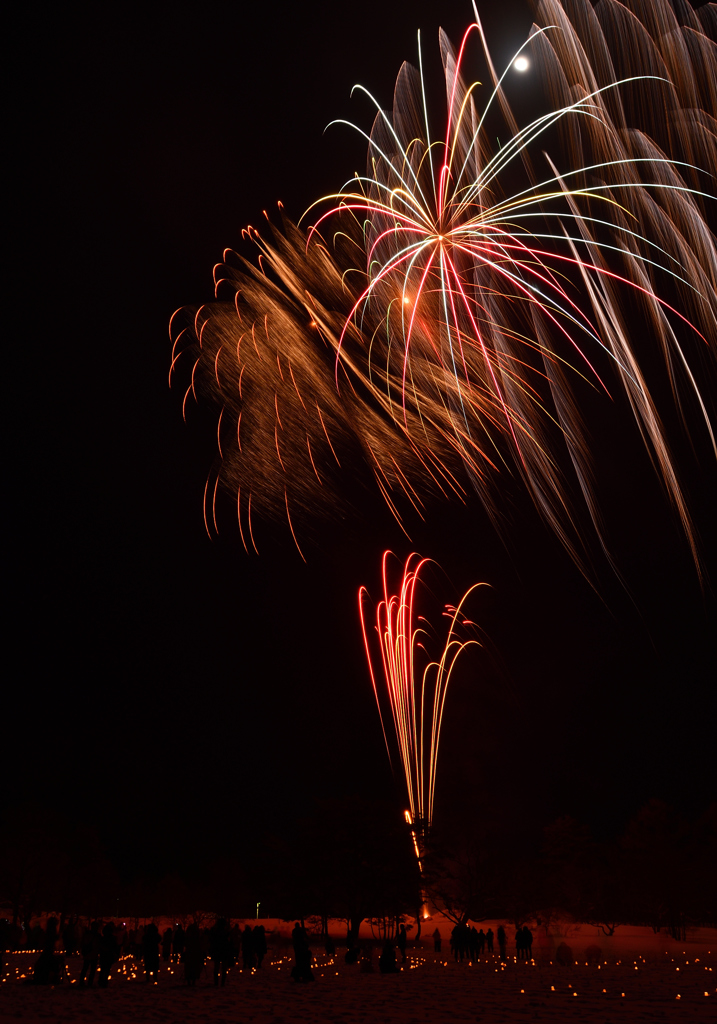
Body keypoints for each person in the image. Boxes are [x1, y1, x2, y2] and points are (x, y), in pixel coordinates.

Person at [79, 921, 101, 987]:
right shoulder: (97, 936)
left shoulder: (87, 934)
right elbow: (98, 945)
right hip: (93, 954)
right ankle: (89, 982)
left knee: (85, 968)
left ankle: (82, 981)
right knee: (91, 970)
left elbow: (83, 942)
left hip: (88, 954)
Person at [97, 922, 119, 987]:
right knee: (107, 969)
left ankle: (101, 981)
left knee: (103, 969)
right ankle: (104, 981)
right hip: (109, 955)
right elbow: (115, 947)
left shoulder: (103, 938)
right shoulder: (112, 938)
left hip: (104, 955)